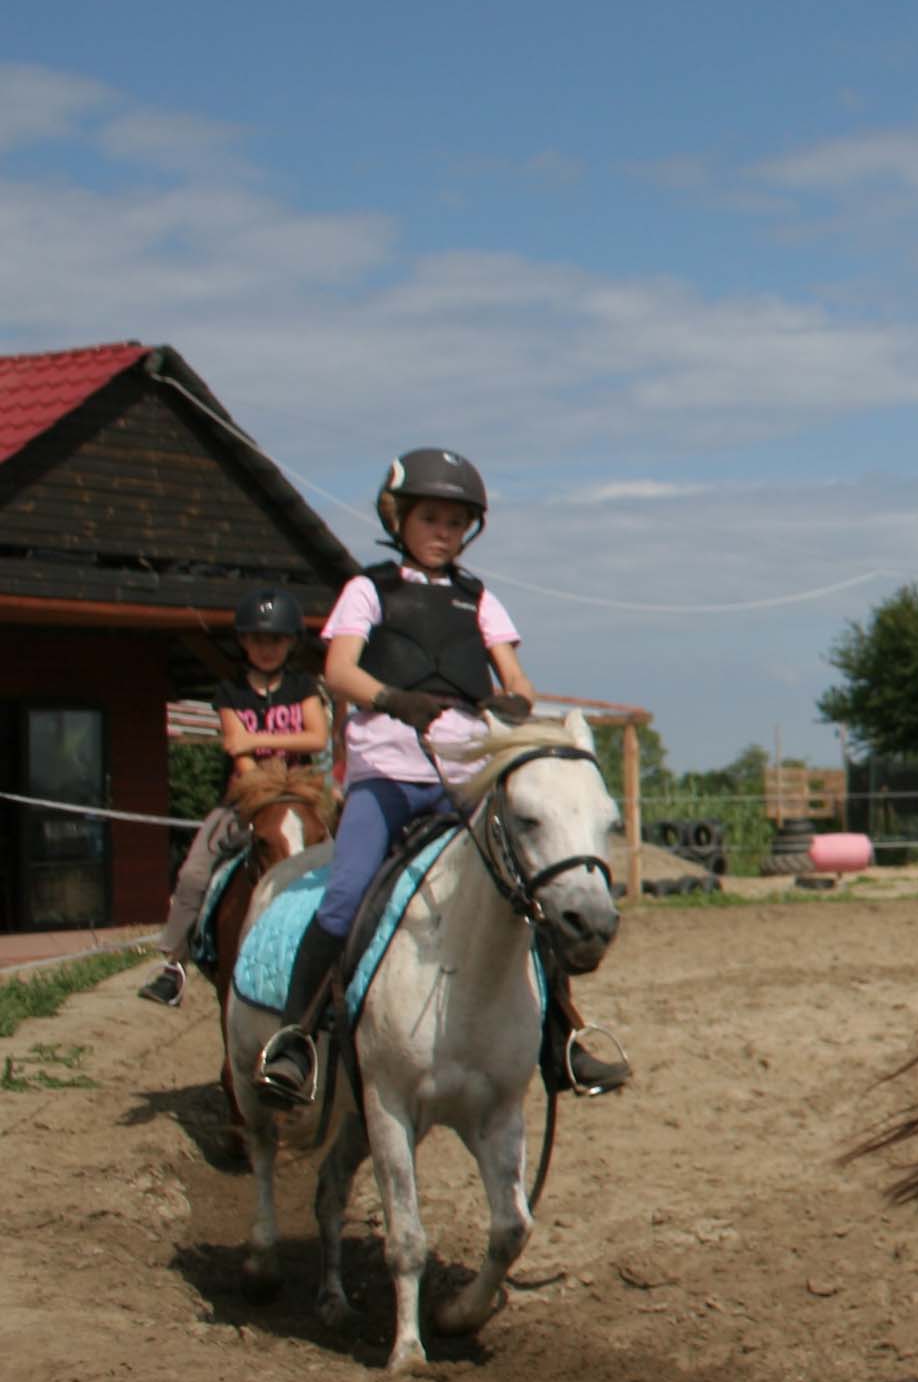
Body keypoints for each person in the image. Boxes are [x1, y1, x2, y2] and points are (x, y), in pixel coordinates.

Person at [252, 447, 628, 1103]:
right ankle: (297, 1038)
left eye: (456, 523)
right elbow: (339, 669)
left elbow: (515, 677)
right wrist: (392, 699)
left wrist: (511, 700)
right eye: (431, 518)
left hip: (465, 776)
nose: (443, 532)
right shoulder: (368, 590)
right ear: (399, 519)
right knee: (344, 898)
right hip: (387, 776)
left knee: (525, 895)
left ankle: (561, 1042)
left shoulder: (478, 599)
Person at [138, 589, 331, 1007]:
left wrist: (258, 739)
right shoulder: (229, 691)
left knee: (343, 856)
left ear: (290, 643)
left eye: (276, 640)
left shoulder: (303, 687)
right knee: (193, 873)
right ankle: (173, 965)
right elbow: (235, 750)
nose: (267, 648)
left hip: (302, 795)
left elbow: (317, 735)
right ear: (244, 642)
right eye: (258, 640)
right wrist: (261, 788)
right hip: (245, 798)